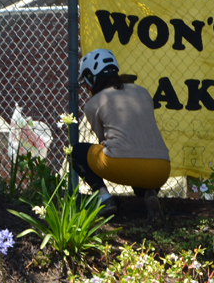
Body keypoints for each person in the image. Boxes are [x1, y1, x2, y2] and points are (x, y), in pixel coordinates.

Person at [72, 48, 171, 219]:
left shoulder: (94, 102)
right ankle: (150, 193)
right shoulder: (142, 92)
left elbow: (103, 140)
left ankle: (105, 199)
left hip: (121, 163)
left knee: (76, 152)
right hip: (161, 169)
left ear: (92, 77)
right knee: (142, 152)